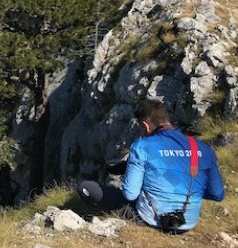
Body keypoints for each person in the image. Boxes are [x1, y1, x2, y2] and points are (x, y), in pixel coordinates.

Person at [78, 100, 224, 233]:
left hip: (151, 220)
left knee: (86, 188)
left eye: (141, 128)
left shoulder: (142, 146)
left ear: (146, 126)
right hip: (187, 223)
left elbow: (130, 194)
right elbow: (217, 194)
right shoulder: (203, 149)